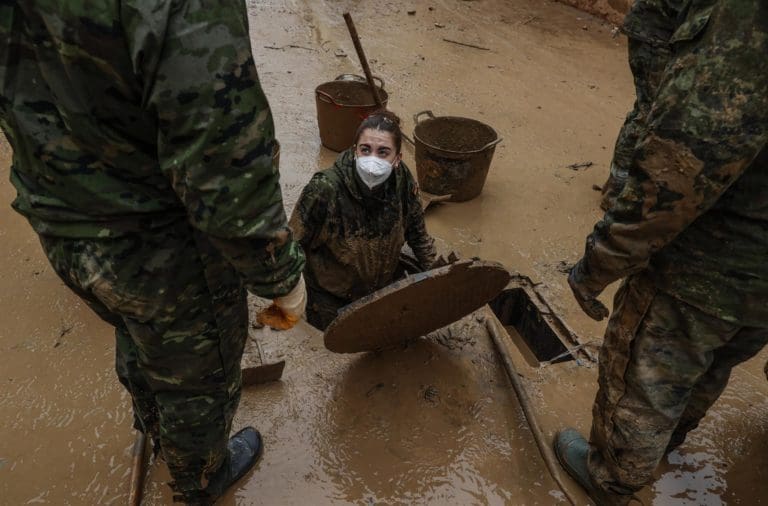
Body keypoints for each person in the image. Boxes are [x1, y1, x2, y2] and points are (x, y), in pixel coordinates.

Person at [0, 2, 306, 504]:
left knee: (136, 331)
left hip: (60, 219)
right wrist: (279, 276)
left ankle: (151, 421)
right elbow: (221, 150)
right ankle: (201, 477)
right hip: (158, 245)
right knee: (197, 380)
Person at [554, 0, 768, 504]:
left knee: (646, 377)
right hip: (759, 281)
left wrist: (600, 262)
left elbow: (682, 163)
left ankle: (614, 477)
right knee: (716, 358)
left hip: (710, 260)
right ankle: (667, 441)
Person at [289, 110, 437, 330]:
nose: (372, 159)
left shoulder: (402, 181)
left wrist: (437, 278)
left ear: (397, 159)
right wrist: (290, 298)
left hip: (378, 294)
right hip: (328, 299)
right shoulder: (325, 189)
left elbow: (417, 232)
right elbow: (292, 244)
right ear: (355, 151)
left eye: (383, 152)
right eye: (365, 149)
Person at [599, 0, 687, 211]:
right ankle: (616, 189)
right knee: (649, 111)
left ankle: (623, 184)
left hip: (658, 35)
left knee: (649, 109)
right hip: (653, 38)